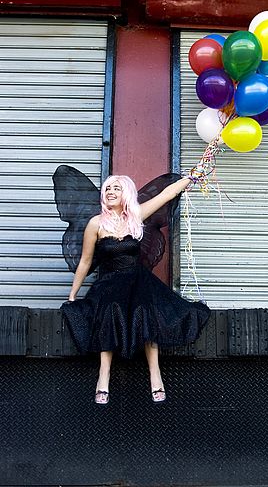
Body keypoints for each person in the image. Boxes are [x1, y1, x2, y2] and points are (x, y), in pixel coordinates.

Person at [60, 173, 210, 405]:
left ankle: (155, 375)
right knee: (109, 312)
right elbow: (85, 261)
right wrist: (73, 295)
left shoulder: (136, 216)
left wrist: (192, 177)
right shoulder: (96, 224)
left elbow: (167, 194)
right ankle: (103, 376)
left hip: (138, 280)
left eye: (116, 188)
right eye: (107, 188)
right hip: (109, 283)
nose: (110, 192)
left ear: (126, 193)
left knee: (146, 312)